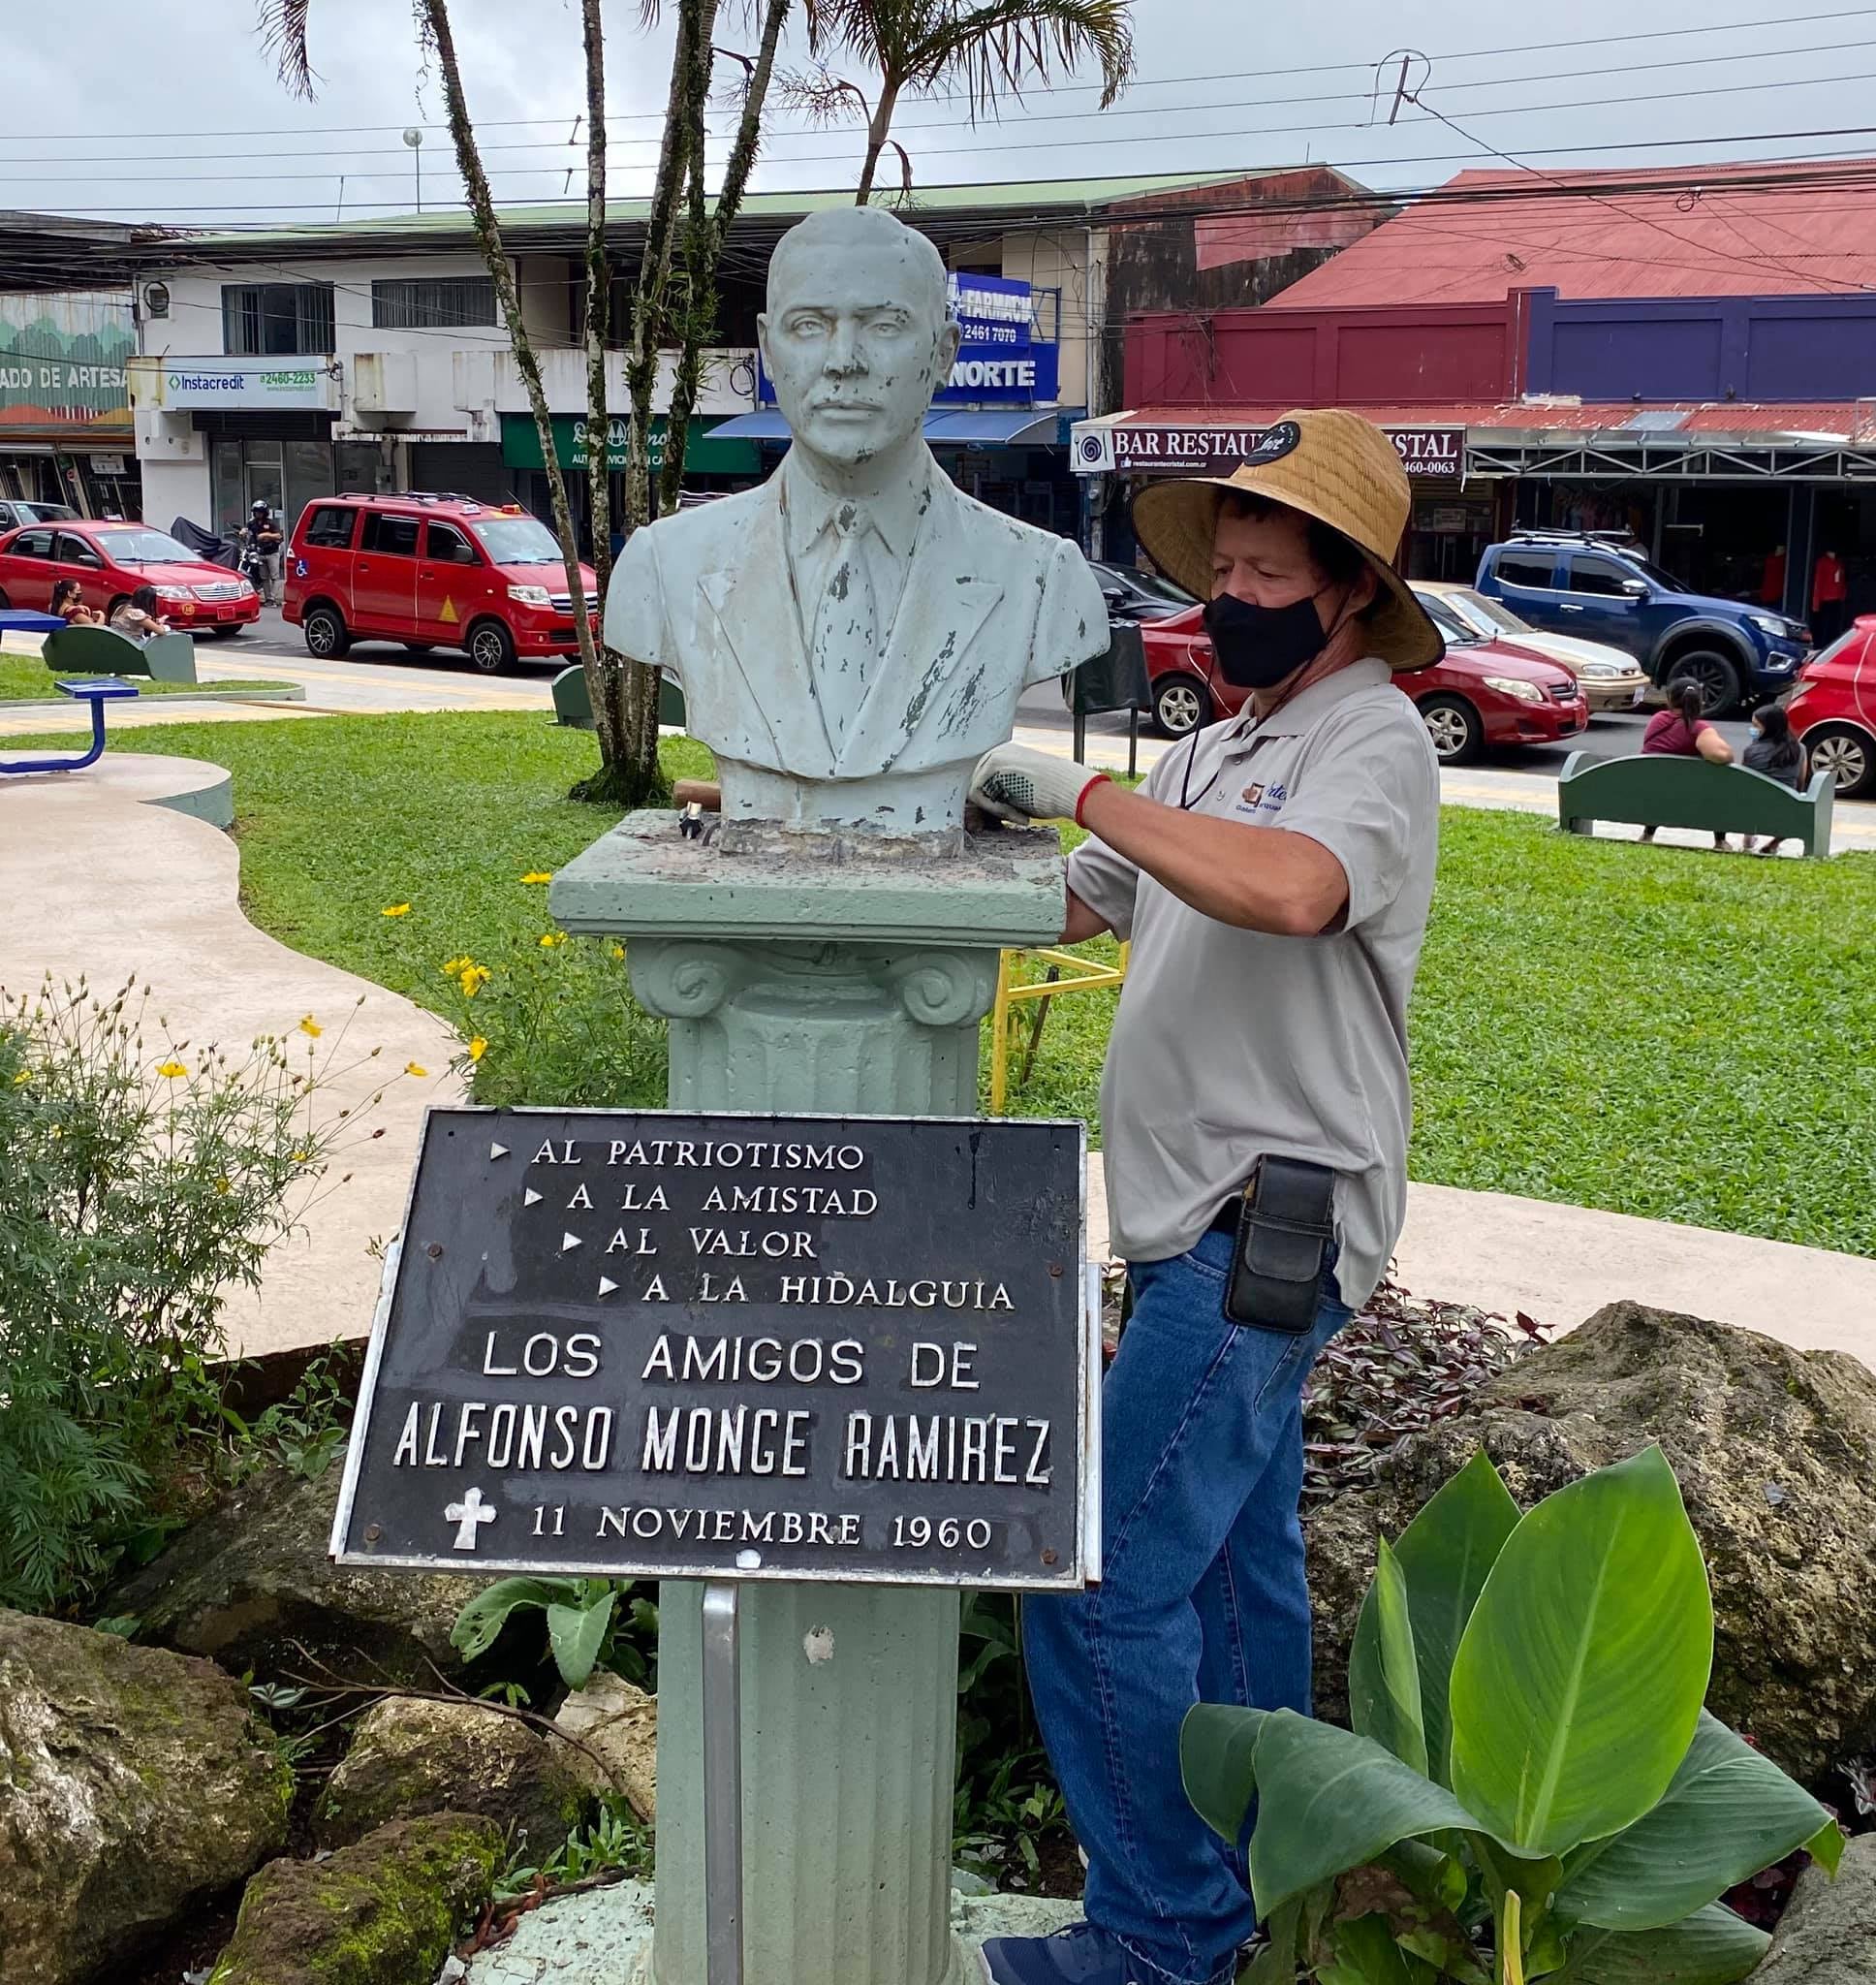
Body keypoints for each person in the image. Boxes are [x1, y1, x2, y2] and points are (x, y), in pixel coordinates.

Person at [968, 409, 1444, 1985]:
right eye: (1219, 563)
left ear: (1351, 592)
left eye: (1264, 568)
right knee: (1235, 1587)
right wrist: (922, 840)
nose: (1230, 590)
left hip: (1267, 1219)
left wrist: (1086, 796)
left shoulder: (1368, 738)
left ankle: (1166, 1937)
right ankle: (1261, 1910)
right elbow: (1075, 900)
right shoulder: (1215, 741)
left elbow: (1296, 889)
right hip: (1193, 1220)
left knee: (1102, 1583)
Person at [602, 204, 1105, 847]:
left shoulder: (1040, 578)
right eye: (809, 326)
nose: (843, 361)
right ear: (767, 348)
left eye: (886, 325)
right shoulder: (664, 565)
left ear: (944, 352)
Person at [1639, 678, 1735, 847]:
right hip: (1690, 798)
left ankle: (1647, 834)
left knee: (1662, 783)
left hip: (1650, 792)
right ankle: (1720, 840)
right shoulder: (1699, 728)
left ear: (1670, 699)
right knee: (1720, 781)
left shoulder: (1657, 719)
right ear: (1700, 701)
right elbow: (1720, 756)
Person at [1741, 702, 1808, 856]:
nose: (1753, 730)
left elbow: (1744, 781)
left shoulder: (1751, 751)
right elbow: (1800, 783)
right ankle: (1774, 843)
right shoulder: (1799, 749)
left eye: (1756, 726)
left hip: (1751, 809)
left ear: (1769, 728)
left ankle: (1748, 835)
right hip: (1786, 808)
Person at [245, 499, 284, 606]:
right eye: (256, 511)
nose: (258, 514)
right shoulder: (251, 523)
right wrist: (243, 532)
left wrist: (266, 535)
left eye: (260, 511)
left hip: (272, 552)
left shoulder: (271, 523)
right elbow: (247, 533)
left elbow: (279, 536)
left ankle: (273, 597)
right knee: (264, 577)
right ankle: (268, 599)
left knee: (275, 576)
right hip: (259, 553)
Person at [1811, 546, 1848, 646]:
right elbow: (1818, 583)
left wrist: (1843, 595)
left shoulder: (1838, 563)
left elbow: (1842, 581)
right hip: (1825, 600)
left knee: (1834, 626)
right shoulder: (1822, 562)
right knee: (1824, 626)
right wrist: (1816, 603)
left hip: (1836, 599)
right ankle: (1821, 645)